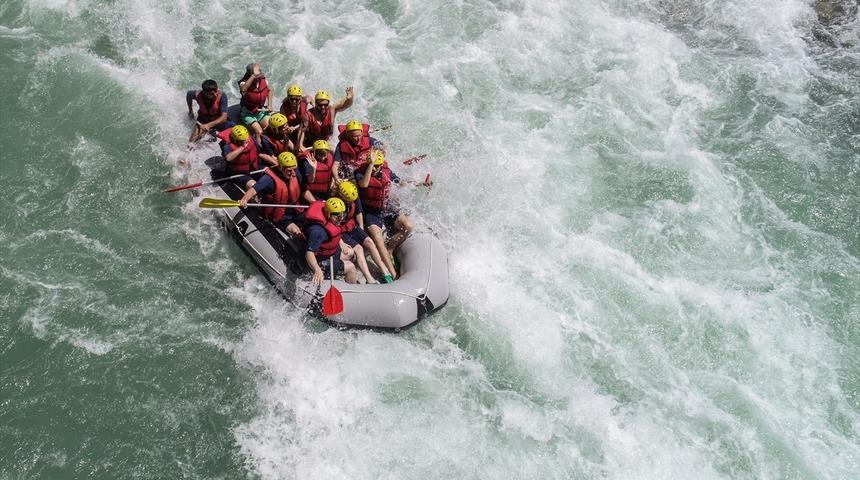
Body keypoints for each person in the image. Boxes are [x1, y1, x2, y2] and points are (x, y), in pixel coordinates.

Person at [354, 150, 414, 277]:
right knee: (378, 238)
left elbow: (399, 182)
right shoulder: (359, 173)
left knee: (408, 226)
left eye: (377, 165)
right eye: (373, 165)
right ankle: (393, 273)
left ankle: (390, 247)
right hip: (370, 212)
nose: (375, 168)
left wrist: (417, 183)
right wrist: (371, 165)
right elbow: (364, 184)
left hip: (386, 208)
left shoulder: (386, 171)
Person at [336, 181, 394, 283]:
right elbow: (333, 226)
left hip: (352, 226)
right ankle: (369, 278)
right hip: (341, 231)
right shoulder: (335, 204)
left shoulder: (354, 198)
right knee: (358, 249)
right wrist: (341, 243)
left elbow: (358, 213)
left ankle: (384, 270)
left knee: (369, 242)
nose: (350, 203)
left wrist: (362, 230)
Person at [238, 152, 306, 235]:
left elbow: (303, 190)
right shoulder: (269, 179)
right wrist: (244, 199)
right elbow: (253, 190)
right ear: (281, 167)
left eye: (294, 169)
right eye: (289, 170)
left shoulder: (296, 174)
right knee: (295, 231)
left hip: (295, 209)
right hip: (280, 214)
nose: (292, 172)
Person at [302, 197, 358, 285]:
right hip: (321, 261)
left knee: (351, 253)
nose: (340, 219)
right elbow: (309, 253)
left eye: (342, 215)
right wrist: (317, 270)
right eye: (337, 216)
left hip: (330, 254)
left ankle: (339, 277)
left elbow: (334, 235)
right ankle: (352, 291)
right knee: (351, 267)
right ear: (328, 213)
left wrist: (342, 243)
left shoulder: (331, 222)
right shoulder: (318, 232)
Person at [186, 79, 233, 143]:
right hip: (203, 120)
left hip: (218, 121)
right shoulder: (197, 94)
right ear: (205, 93)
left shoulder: (222, 96)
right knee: (192, 141)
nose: (216, 95)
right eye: (212, 94)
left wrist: (208, 125)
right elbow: (189, 94)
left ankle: (213, 132)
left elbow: (224, 118)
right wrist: (190, 110)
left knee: (236, 131)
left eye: (216, 91)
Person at [238, 63, 273, 144]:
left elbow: (270, 90)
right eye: (257, 72)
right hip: (248, 114)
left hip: (260, 112)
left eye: (260, 71)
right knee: (259, 132)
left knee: (269, 128)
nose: (259, 73)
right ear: (250, 74)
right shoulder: (243, 83)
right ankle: (258, 149)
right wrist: (253, 77)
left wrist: (270, 104)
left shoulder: (264, 81)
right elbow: (243, 90)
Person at [278, 84, 309, 149]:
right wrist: (288, 128)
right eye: (291, 99)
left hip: (303, 128)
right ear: (288, 97)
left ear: (301, 98)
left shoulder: (305, 101)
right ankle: (290, 149)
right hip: (292, 130)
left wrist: (314, 106)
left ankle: (300, 146)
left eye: (297, 99)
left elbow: (310, 98)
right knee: (284, 132)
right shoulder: (283, 108)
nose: (294, 101)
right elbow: (285, 124)